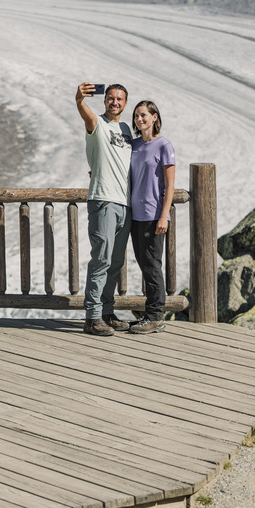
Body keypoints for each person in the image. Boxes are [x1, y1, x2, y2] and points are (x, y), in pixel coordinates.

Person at [75, 81, 133, 336]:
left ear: (125, 103)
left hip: (124, 203)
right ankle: (93, 316)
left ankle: (107, 312)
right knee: (101, 258)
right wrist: (78, 100)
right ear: (105, 100)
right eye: (111, 98)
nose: (115, 102)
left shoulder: (127, 129)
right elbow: (84, 112)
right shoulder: (96, 124)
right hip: (104, 200)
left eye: (119, 99)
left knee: (115, 261)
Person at [128, 99, 175, 334]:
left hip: (152, 214)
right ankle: (150, 315)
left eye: (144, 115)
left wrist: (164, 216)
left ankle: (156, 316)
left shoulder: (164, 146)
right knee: (144, 264)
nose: (139, 119)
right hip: (134, 215)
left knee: (152, 266)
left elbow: (170, 185)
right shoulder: (134, 145)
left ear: (154, 117)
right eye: (137, 116)